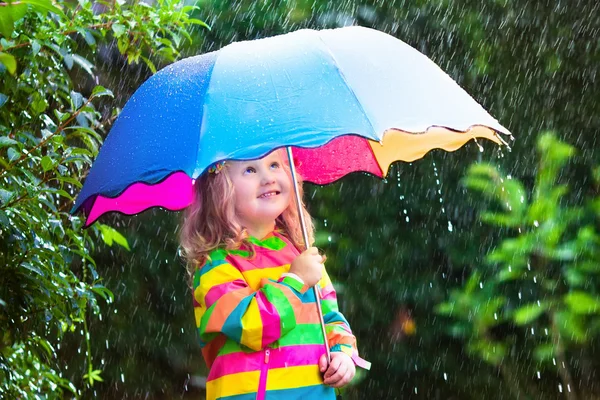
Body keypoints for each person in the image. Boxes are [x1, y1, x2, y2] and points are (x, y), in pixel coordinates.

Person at [180, 148, 370, 400]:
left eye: (274, 165)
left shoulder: (302, 256)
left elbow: (331, 318)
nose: (267, 177)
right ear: (221, 189)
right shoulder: (216, 267)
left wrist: (342, 354)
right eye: (250, 169)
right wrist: (295, 282)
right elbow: (251, 327)